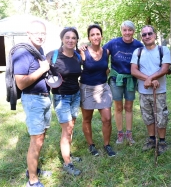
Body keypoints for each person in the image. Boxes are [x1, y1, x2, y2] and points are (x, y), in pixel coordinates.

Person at [12, 20, 50, 187]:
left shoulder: (38, 50)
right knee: (37, 140)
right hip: (33, 99)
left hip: (44, 98)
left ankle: (33, 170)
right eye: (36, 33)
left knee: (41, 137)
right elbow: (20, 83)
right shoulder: (22, 52)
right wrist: (43, 69)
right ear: (28, 34)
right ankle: (33, 181)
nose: (40, 36)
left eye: (43, 33)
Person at [46, 27, 82, 176]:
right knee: (66, 130)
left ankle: (68, 154)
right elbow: (41, 72)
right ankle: (67, 163)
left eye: (73, 38)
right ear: (62, 39)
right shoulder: (53, 55)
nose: (70, 40)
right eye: (67, 37)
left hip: (76, 95)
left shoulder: (78, 55)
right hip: (61, 97)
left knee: (71, 127)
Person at [131, 25, 171, 155]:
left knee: (161, 117)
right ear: (141, 37)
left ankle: (162, 141)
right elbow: (134, 70)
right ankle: (152, 139)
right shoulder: (138, 51)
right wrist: (149, 79)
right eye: (144, 35)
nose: (147, 36)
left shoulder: (163, 50)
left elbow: (165, 69)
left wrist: (151, 79)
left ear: (154, 35)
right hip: (144, 92)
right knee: (147, 116)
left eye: (149, 34)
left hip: (159, 91)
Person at [104, 20, 143, 145]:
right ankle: (120, 134)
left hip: (131, 79)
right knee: (119, 107)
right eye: (125, 30)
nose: (127, 32)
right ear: (121, 30)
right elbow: (100, 53)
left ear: (133, 31)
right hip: (116, 79)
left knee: (129, 107)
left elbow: (146, 58)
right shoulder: (113, 43)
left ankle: (129, 133)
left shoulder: (138, 45)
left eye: (130, 30)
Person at [80, 24, 116, 157]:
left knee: (107, 119)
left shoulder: (106, 52)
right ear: (89, 37)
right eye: (92, 34)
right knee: (87, 118)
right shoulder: (83, 51)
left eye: (98, 34)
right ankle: (91, 145)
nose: (95, 36)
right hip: (87, 88)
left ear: (101, 36)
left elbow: (106, 69)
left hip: (103, 88)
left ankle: (107, 145)